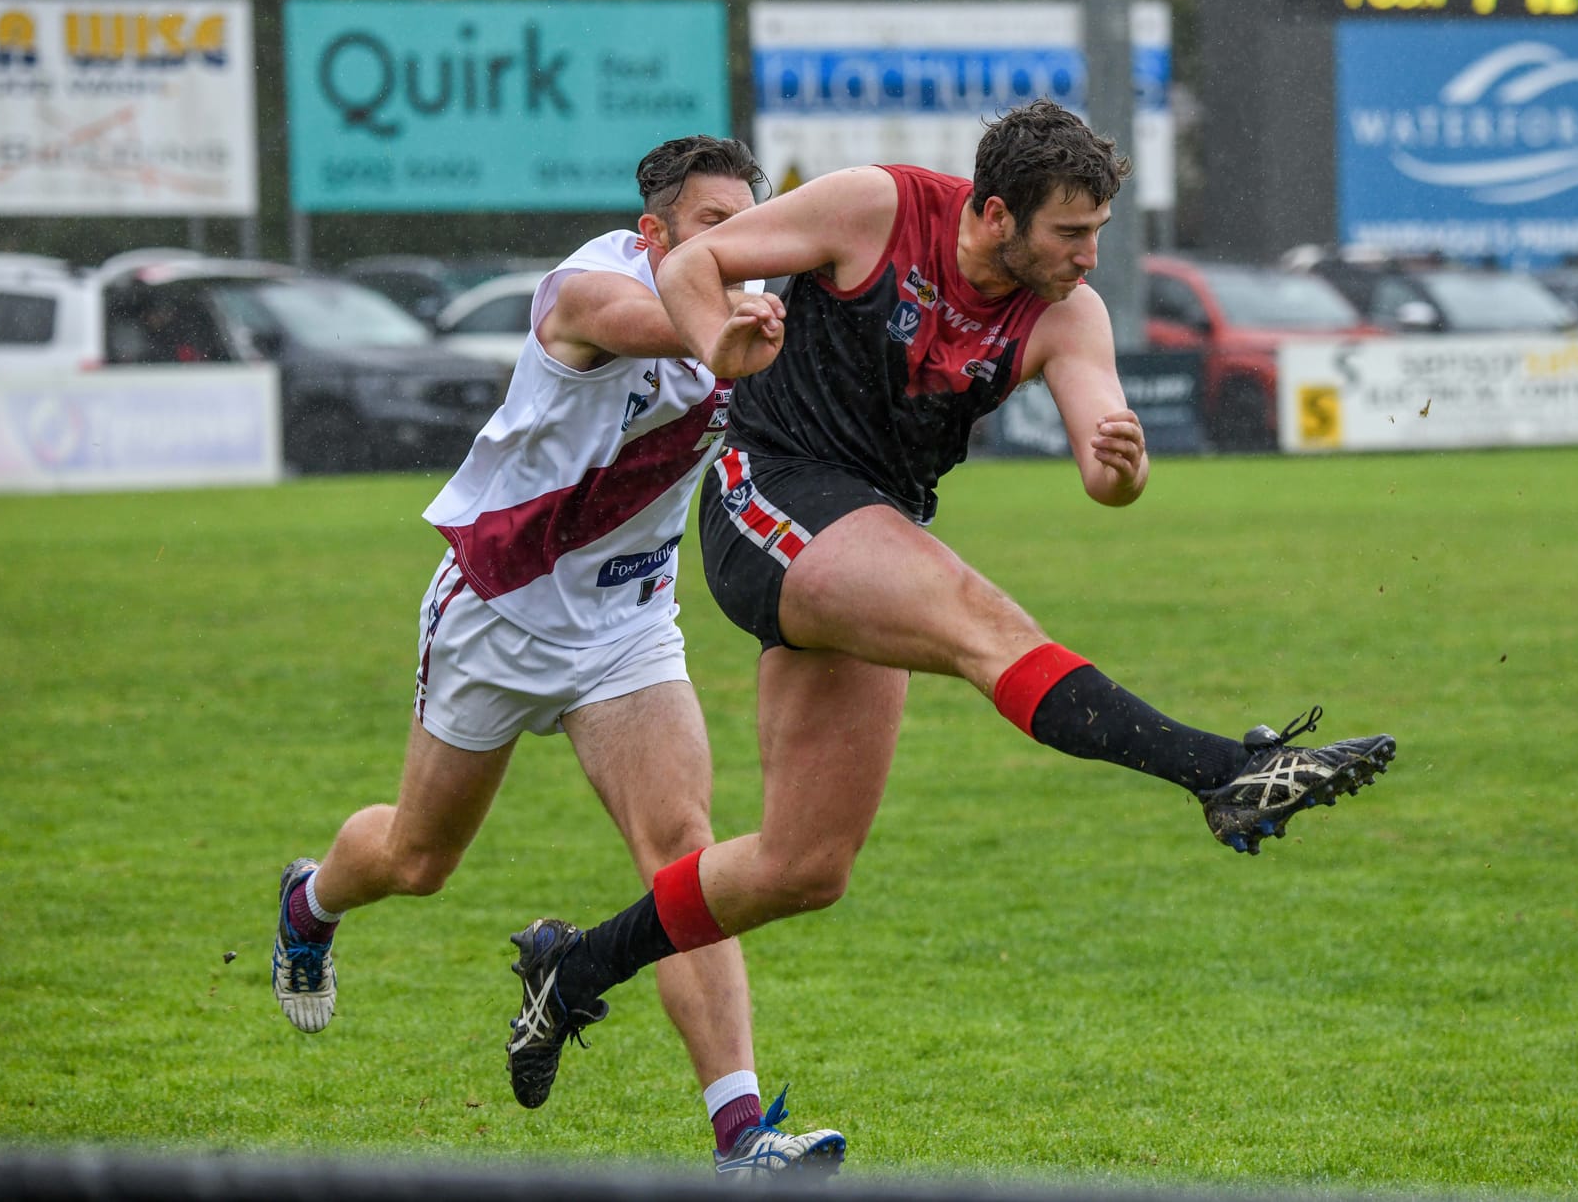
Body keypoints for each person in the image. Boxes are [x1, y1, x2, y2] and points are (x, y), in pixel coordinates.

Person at [498, 100, 1399, 1108]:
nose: (1088, 257)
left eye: (1097, 232)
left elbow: (1105, 461)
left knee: (805, 865)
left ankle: (571, 969)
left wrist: (1122, 464)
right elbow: (689, 267)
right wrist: (716, 341)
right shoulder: (873, 208)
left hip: (867, 531)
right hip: (769, 493)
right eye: (1069, 234)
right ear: (994, 214)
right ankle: (1221, 770)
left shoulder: (1066, 313)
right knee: (981, 619)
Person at [269, 135, 845, 1179]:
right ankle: (309, 903)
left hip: (626, 625)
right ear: (654, 235)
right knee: (416, 858)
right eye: (716, 230)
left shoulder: (748, 307)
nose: (741, 252)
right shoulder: (591, 291)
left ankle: (741, 1135)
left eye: (751, 230)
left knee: (685, 863)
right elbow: (659, 322)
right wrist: (743, 313)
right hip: (498, 610)